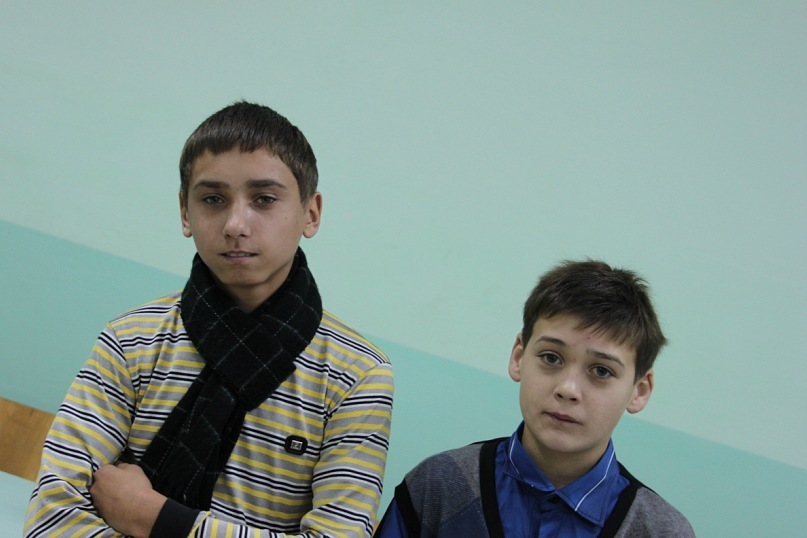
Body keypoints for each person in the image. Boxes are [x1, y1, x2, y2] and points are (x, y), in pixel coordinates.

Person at [24, 101, 394, 538]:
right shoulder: (131, 340)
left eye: (264, 199)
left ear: (310, 213)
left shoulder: (357, 375)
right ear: (185, 212)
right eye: (213, 199)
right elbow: (51, 518)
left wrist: (154, 517)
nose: (235, 224)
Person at [375, 260, 694, 537]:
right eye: (551, 358)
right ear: (518, 357)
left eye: (601, 371)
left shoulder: (660, 530)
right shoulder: (440, 485)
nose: (568, 389)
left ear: (639, 390)